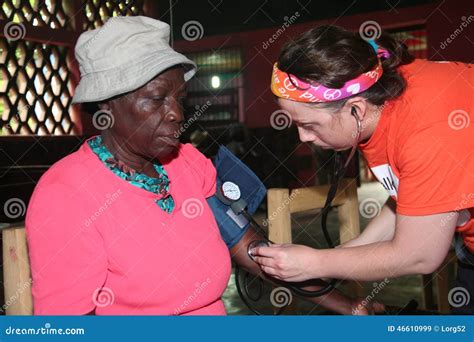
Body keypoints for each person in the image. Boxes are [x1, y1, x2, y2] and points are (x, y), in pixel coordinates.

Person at [26, 17, 379, 315]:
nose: (176, 114)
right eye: (156, 99)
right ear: (107, 107)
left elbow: (252, 250)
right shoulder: (66, 195)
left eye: (179, 99)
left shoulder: (186, 163)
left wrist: (349, 306)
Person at [252, 25, 474, 314]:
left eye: (309, 125)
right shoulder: (385, 95)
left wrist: (313, 263)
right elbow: (412, 200)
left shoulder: (428, 127)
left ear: (355, 108)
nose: (303, 137)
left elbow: (420, 254)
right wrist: (343, 256)